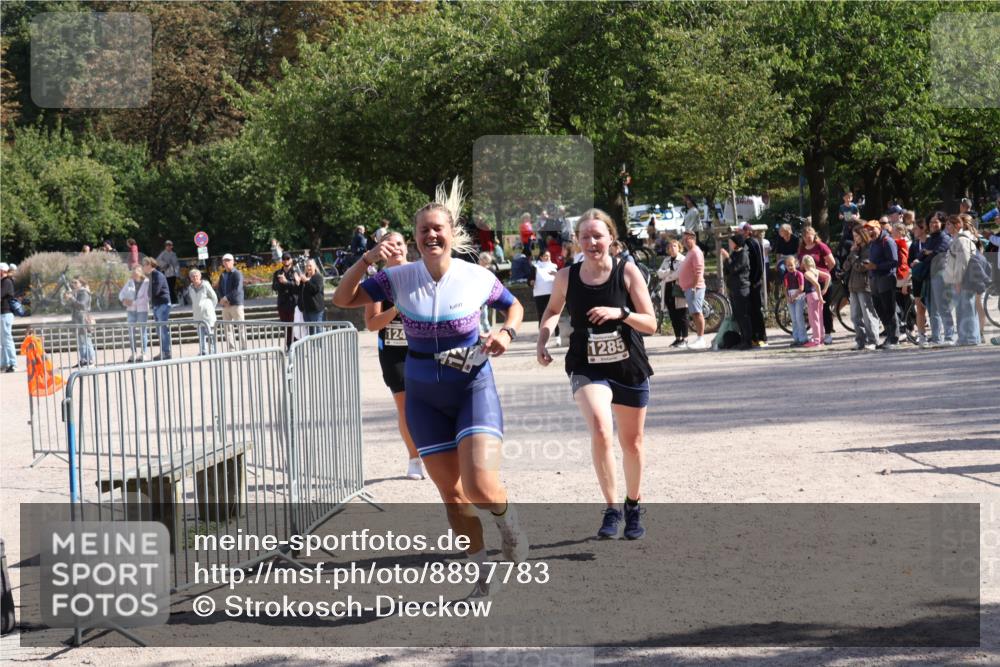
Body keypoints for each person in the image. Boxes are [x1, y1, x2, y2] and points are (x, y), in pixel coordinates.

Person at [332, 179, 529, 597]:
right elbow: (343, 298)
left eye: (438, 228)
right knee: (453, 497)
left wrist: (508, 334)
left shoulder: (476, 277)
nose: (431, 235)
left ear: (452, 232)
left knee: (479, 486)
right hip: (423, 396)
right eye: (423, 230)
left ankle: (507, 520)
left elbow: (514, 306)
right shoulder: (398, 279)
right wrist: (368, 257)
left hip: (471, 386)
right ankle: (481, 576)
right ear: (416, 238)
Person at [536, 208, 656, 539]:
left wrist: (622, 312)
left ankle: (633, 504)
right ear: (577, 240)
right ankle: (612, 508)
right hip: (586, 364)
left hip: (628, 365)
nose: (592, 241)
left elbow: (651, 322)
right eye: (585, 236)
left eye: (598, 235)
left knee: (632, 443)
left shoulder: (627, 272)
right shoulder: (566, 277)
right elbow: (551, 311)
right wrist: (543, 340)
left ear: (611, 239)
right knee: (602, 429)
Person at [363, 231, 425, 481]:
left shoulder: (421, 272)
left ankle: (438, 452)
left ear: (406, 246)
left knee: (433, 400)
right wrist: (397, 308)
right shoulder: (379, 280)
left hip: (421, 346)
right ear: (381, 250)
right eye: (389, 245)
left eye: (399, 244)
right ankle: (414, 459)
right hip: (392, 351)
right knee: (406, 407)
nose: (396, 248)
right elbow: (371, 323)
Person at [943, 214, 980, 345]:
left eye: (949, 224)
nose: (946, 227)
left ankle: (969, 338)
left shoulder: (961, 240)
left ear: (958, 225)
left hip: (964, 281)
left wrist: (958, 281)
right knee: (965, 308)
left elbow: (963, 262)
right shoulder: (958, 239)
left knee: (966, 309)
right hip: (963, 280)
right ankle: (969, 337)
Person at [863, 220, 900, 349]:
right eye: (868, 230)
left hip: (886, 278)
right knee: (879, 308)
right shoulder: (873, 243)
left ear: (879, 228)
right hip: (874, 280)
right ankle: (889, 336)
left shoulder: (887, 241)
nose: (870, 232)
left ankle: (894, 338)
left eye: (872, 229)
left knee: (889, 309)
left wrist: (876, 266)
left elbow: (894, 261)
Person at [797, 226, 836, 344]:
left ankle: (828, 333)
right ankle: (817, 335)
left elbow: (832, 263)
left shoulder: (821, 246)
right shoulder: (802, 249)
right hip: (809, 283)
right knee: (813, 311)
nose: (808, 238)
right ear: (803, 237)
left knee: (825, 308)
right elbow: (800, 264)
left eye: (810, 236)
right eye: (806, 237)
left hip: (823, 281)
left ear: (814, 235)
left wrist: (821, 272)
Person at [843, 226, 879, 350]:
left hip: (864, 285)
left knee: (868, 315)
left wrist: (854, 256)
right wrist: (852, 253)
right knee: (855, 316)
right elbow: (845, 266)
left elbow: (861, 267)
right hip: (853, 286)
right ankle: (860, 341)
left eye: (857, 236)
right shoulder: (855, 249)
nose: (855, 239)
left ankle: (873, 340)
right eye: (854, 236)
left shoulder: (869, 249)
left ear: (863, 235)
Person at [922, 211, 955, 346]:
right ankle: (936, 338)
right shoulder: (931, 238)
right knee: (933, 309)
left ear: (941, 223)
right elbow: (922, 254)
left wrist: (928, 253)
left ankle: (949, 336)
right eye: (931, 222)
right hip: (931, 274)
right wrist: (926, 253)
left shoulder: (944, 237)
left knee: (943, 307)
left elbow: (939, 252)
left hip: (941, 274)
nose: (933, 224)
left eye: (936, 221)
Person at [719, 233, 752, 350]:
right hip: (733, 288)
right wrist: (726, 260)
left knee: (743, 315)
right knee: (737, 315)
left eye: (731, 242)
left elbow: (733, 269)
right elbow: (727, 270)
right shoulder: (735, 253)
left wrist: (727, 258)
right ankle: (742, 339)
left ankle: (748, 340)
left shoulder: (743, 254)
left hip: (741, 288)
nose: (730, 244)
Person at [678, 230, 709, 350]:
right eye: (683, 240)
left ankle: (701, 339)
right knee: (694, 313)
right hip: (689, 288)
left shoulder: (696, 252)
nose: (685, 242)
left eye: (687, 239)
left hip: (695, 287)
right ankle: (699, 338)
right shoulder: (690, 252)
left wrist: (694, 287)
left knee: (697, 312)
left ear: (693, 239)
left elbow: (698, 271)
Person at [740, 223, 768, 347]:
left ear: (747, 231)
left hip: (754, 282)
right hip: (747, 282)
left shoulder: (753, 242)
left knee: (756, 310)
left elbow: (759, 263)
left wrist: (755, 280)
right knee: (749, 310)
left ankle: (761, 336)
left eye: (741, 231)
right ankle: (753, 336)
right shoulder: (743, 243)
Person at [657, 239, 688, 347]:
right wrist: (668, 273)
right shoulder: (666, 260)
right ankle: (677, 338)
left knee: (681, 315)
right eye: (670, 246)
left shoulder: (683, 260)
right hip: (668, 290)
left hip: (679, 290)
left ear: (679, 247)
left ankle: (685, 338)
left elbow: (678, 274)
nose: (672, 248)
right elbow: (659, 273)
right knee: (673, 316)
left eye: (674, 246)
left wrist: (667, 276)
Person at [142, 257, 172, 360]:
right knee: (159, 330)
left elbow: (155, 291)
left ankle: (166, 352)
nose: (143, 267)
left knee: (162, 329)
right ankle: (163, 351)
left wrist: (143, 296)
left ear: (150, 265)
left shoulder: (158, 275)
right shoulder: (150, 276)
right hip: (157, 305)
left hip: (162, 304)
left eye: (144, 265)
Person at [119, 266, 150, 362]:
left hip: (142, 310)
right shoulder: (129, 282)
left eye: (135, 272)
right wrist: (124, 300)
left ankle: (144, 353)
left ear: (140, 272)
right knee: (131, 332)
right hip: (131, 310)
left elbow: (147, 297)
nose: (133, 274)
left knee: (142, 332)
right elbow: (121, 294)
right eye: (132, 272)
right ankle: (134, 353)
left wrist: (133, 302)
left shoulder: (146, 282)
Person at [908, 215, 930, 347]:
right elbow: (909, 260)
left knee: (932, 307)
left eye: (915, 228)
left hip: (929, 278)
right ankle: (922, 334)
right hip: (917, 278)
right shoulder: (915, 244)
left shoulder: (931, 242)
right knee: (919, 306)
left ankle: (939, 333)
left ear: (923, 229)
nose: (913, 230)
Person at [63, 277, 96, 367]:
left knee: (87, 340)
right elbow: (71, 306)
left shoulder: (84, 293)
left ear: (81, 283)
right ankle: (83, 360)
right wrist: (68, 298)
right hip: (77, 320)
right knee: (81, 341)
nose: (73, 284)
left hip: (84, 319)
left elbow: (82, 305)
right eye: (72, 282)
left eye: (75, 282)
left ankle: (91, 360)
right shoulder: (76, 293)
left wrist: (72, 298)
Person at [217, 253, 246, 351]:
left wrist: (226, 298)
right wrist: (222, 299)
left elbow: (237, 289)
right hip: (225, 305)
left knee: (241, 327)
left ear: (233, 261)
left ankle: (244, 349)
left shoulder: (237, 273)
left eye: (228, 260)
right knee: (227, 329)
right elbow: (219, 288)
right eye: (225, 260)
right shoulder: (222, 274)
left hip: (236, 304)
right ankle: (232, 349)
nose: (226, 262)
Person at [532, 249, 560, 346]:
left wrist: (555, 274)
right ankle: (543, 340)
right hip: (539, 294)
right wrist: (531, 282)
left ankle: (557, 337)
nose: (548, 258)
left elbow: (561, 277)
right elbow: (530, 278)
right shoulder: (535, 267)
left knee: (554, 314)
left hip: (552, 293)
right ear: (541, 257)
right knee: (541, 316)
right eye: (545, 256)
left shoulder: (554, 266)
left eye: (549, 256)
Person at [187, 269, 218, 355]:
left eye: (197, 276)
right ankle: (203, 351)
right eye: (193, 276)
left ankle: (212, 350)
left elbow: (214, 297)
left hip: (207, 314)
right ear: (191, 278)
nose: (195, 277)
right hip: (197, 314)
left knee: (210, 333)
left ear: (200, 276)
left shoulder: (205, 285)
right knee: (200, 334)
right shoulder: (190, 288)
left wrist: (210, 308)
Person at [272, 252, 300, 348]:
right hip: (282, 303)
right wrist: (281, 283)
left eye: (288, 258)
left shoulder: (296, 272)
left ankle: (295, 345)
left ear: (291, 260)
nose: (286, 260)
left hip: (293, 303)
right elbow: (274, 287)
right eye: (284, 258)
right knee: (286, 327)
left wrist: (286, 282)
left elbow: (298, 288)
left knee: (294, 326)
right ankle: (289, 346)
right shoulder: (277, 273)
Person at [800, 255, 827, 348]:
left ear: (804, 263)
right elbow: (828, 276)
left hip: (812, 296)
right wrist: (824, 290)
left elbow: (817, 285)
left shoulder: (807, 273)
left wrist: (820, 296)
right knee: (819, 318)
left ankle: (816, 340)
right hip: (816, 295)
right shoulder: (815, 271)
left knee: (813, 319)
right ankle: (821, 338)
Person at [891, 222, 912, 342]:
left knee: (907, 306)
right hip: (898, 279)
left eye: (894, 231)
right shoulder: (895, 244)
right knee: (899, 306)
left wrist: (906, 283)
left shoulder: (906, 244)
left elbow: (908, 264)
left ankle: (910, 329)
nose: (892, 233)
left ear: (901, 232)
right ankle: (904, 330)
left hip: (905, 279)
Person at [782, 256, 809, 347]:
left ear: (796, 264)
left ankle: (803, 338)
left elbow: (801, 288)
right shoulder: (786, 276)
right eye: (788, 265)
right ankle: (796, 338)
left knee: (799, 317)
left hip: (799, 297)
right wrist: (787, 297)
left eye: (792, 265)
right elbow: (785, 288)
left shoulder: (799, 274)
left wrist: (793, 296)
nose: (790, 267)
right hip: (790, 298)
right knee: (793, 319)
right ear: (785, 266)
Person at [296, 259, 325, 332]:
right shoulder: (304, 277)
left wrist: (306, 281)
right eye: (307, 266)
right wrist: (297, 283)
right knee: (311, 333)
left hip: (316, 310)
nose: (308, 268)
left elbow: (315, 289)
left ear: (314, 267)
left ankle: (320, 344)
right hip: (306, 310)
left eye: (310, 266)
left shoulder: (318, 277)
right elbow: (299, 292)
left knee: (318, 333)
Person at [0, 263, 16, 372]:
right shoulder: (3, 281)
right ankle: (5, 363)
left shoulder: (7, 282)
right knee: (3, 340)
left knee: (7, 339)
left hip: (6, 313)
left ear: (2, 271)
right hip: (3, 313)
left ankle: (12, 363)